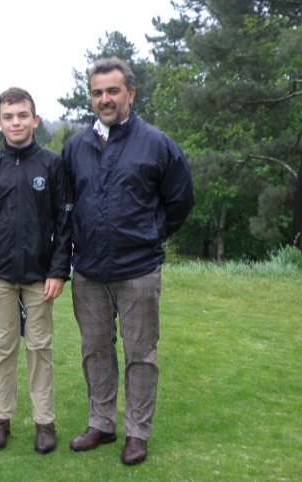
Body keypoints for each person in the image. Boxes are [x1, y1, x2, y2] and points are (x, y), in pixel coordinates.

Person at [63, 57, 194, 465]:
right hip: (87, 271)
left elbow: (180, 200)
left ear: (130, 94)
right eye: (97, 92)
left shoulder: (156, 143)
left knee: (141, 353)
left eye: (113, 91)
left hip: (138, 270)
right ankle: (101, 423)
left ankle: (138, 432)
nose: (105, 99)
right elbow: (66, 204)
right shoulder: (75, 146)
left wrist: (152, 234)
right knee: (95, 350)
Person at [0, 87, 72, 454]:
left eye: (23, 115)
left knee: (41, 347)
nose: (16, 122)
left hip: (41, 275)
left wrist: (59, 270)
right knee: (2, 348)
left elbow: (64, 221)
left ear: (35, 119)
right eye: (9, 117)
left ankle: (45, 422)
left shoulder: (52, 164)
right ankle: (1, 419)